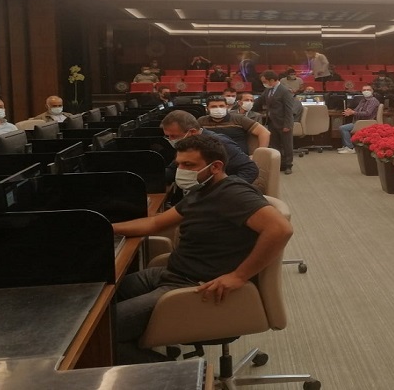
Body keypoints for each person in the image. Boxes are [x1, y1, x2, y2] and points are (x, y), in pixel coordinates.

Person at [112, 134, 293, 365]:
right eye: (179, 164)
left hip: (195, 286)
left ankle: (182, 377)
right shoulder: (202, 191)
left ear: (215, 167)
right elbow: (155, 223)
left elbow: (280, 229)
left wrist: (239, 276)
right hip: (171, 273)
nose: (181, 171)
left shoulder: (233, 193)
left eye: (189, 165)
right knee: (104, 296)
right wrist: (106, 228)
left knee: (101, 332)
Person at [160, 110, 259, 185]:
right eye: (168, 136)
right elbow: (172, 171)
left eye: (174, 136)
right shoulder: (187, 144)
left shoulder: (220, 143)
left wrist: (227, 189)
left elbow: (250, 169)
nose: (170, 140)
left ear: (192, 132)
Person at [253, 71, 296, 174]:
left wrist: (287, 124)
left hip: (283, 122)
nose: (263, 83)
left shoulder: (285, 91)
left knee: (287, 145)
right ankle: (279, 164)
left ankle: (288, 165)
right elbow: (260, 100)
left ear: (272, 80)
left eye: (265, 81)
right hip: (272, 121)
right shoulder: (268, 89)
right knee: (275, 145)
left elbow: (289, 110)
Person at [197, 95, 270, 154]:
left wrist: (260, 154)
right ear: (207, 108)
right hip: (210, 157)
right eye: (214, 107)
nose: (218, 109)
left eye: (221, 106)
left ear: (226, 107)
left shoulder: (239, 119)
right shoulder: (201, 121)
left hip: (238, 157)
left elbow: (264, 132)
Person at [337, 85, 380, 154]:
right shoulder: (363, 100)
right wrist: (350, 111)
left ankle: (350, 147)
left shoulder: (373, 101)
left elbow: (367, 113)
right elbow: (356, 110)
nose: (366, 91)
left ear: (372, 91)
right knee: (343, 127)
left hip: (366, 122)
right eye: (364, 90)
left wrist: (353, 112)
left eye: (368, 90)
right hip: (359, 122)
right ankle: (346, 146)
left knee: (343, 128)